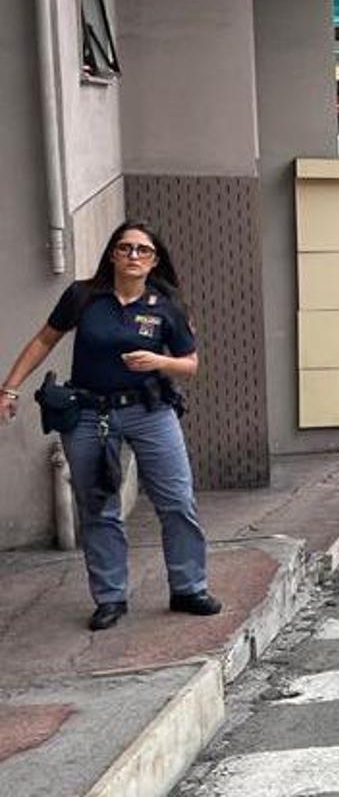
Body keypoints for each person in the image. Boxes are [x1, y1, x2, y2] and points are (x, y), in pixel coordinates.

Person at [0, 222, 220, 631]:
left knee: (177, 501)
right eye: (126, 248)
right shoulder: (84, 296)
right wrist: (9, 388)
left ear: (154, 260)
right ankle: (110, 597)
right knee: (98, 508)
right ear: (112, 254)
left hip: (150, 411)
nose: (133, 256)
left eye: (143, 250)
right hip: (90, 415)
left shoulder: (167, 304)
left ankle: (189, 587)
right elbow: (44, 340)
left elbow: (190, 365)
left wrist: (159, 362)